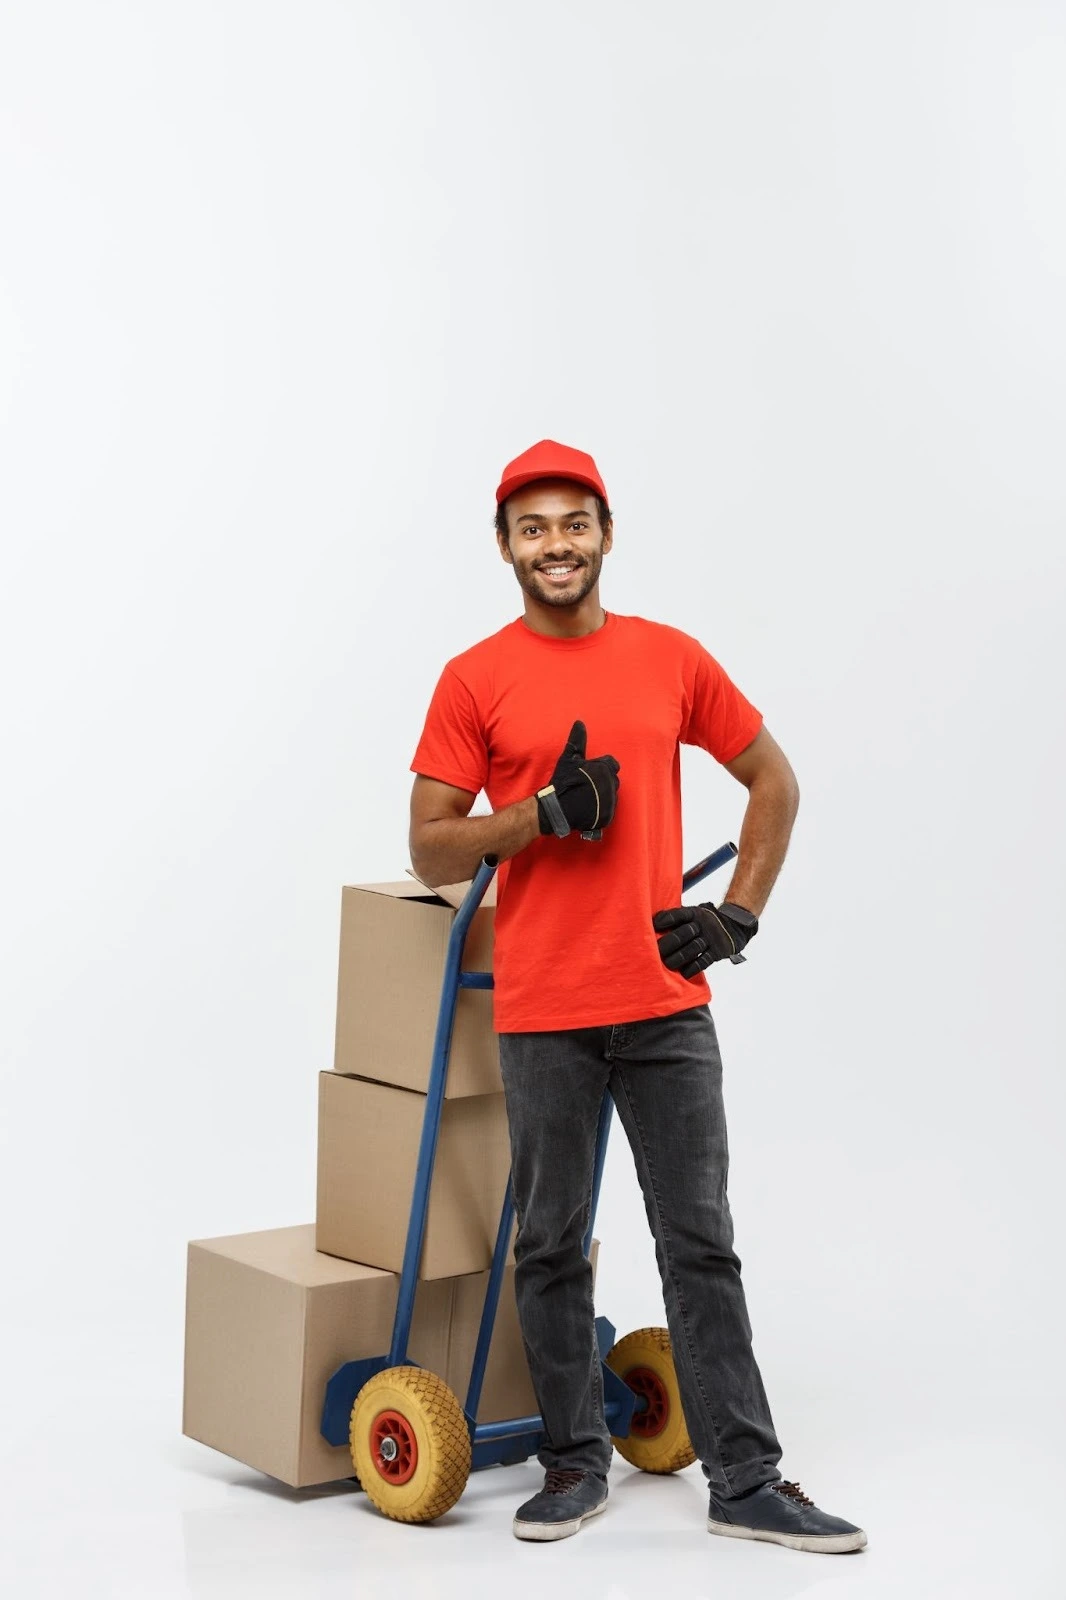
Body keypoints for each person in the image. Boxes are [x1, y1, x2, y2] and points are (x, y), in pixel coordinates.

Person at [408, 438, 866, 1554]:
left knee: (698, 1238)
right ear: (504, 546)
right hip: (545, 1005)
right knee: (551, 1240)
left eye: (573, 523)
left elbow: (775, 780)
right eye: (532, 527)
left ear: (606, 532)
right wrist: (536, 818)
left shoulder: (670, 658)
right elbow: (429, 848)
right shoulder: (475, 676)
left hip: (665, 1002)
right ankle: (573, 1462)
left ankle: (746, 1479)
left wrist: (737, 915)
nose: (554, 545)